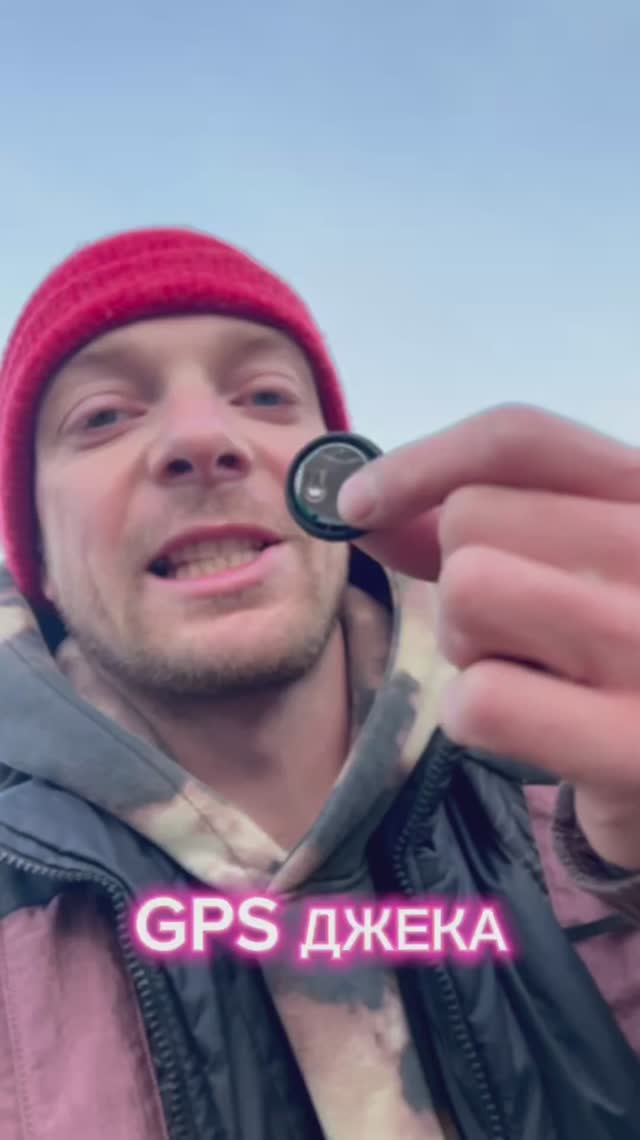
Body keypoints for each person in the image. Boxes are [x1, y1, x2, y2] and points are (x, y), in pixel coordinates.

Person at [0, 227, 638, 1140]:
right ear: (42, 565)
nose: (202, 437)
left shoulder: (588, 804)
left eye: (265, 395)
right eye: (102, 416)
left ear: (339, 485)